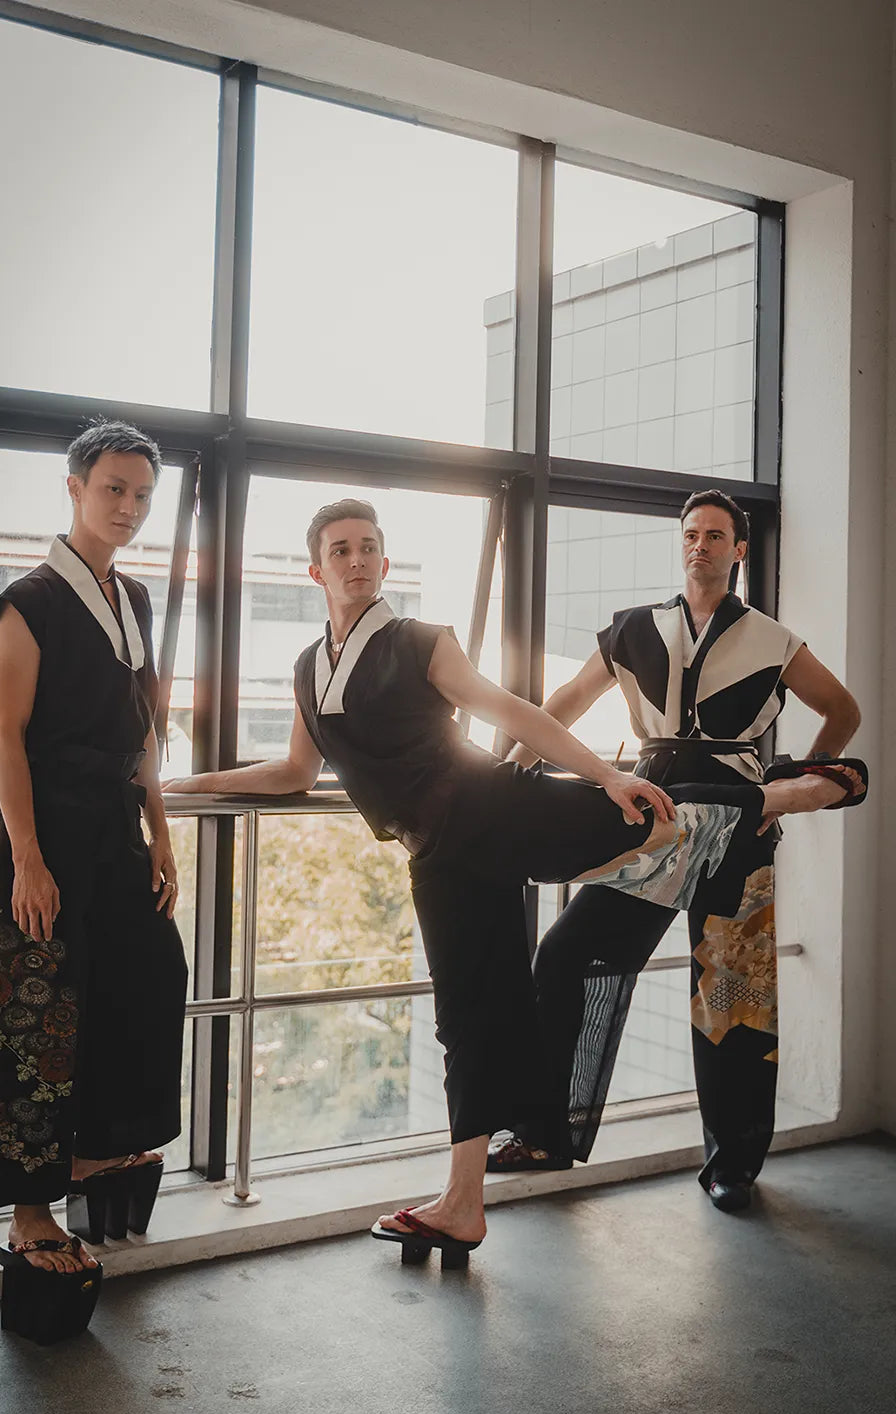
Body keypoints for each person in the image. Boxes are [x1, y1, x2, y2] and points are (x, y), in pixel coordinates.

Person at [164, 497, 862, 1261]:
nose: (356, 560)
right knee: (478, 1011)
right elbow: (296, 770)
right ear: (316, 568)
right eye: (340, 550)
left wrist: (604, 774)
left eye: (368, 547)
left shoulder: (425, 640)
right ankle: (477, 1190)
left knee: (680, 887)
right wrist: (182, 787)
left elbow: (507, 706)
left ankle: (798, 792)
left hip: (551, 809)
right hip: (444, 850)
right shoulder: (310, 669)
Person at [487, 490, 863, 1213]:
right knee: (565, 953)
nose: (701, 545)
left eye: (716, 536)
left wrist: (793, 775)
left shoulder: (772, 639)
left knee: (736, 994)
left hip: (737, 825)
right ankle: (546, 1133)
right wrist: (504, 767)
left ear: (739, 550)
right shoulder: (633, 629)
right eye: (691, 534)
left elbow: (843, 709)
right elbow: (560, 703)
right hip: (651, 815)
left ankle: (734, 1166)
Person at [0, 420, 188, 1332]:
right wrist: (28, 857)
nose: (130, 507)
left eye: (142, 493)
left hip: (116, 833)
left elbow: (144, 731)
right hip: (47, 837)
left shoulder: (131, 598)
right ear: (74, 487)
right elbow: (4, 739)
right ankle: (32, 1213)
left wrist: (162, 833)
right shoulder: (29, 598)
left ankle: (96, 1154)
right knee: (40, 1019)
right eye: (114, 488)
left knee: (151, 974)